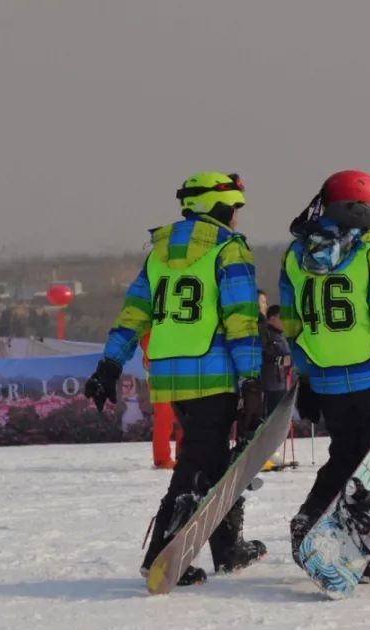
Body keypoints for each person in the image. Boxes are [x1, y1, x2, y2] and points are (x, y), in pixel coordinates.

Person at [84, 171, 266, 587]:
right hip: (213, 371)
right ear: (218, 206)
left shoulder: (158, 253)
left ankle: (227, 548)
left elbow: (134, 314)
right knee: (199, 463)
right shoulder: (228, 250)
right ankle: (162, 555)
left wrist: (109, 365)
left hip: (167, 374)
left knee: (217, 461)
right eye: (234, 208)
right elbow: (240, 320)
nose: (237, 216)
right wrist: (252, 378)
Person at [280, 169, 370, 582]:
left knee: (344, 456)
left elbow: (292, 323)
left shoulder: (295, 254)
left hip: (326, 379)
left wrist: (305, 377)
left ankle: (310, 515)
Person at [140, 329, 182, 469]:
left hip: (183, 366)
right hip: (159, 369)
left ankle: (185, 455)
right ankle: (162, 458)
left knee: (187, 413)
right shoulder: (152, 314)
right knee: (165, 415)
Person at [261, 304, 292, 415]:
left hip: (280, 383)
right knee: (272, 416)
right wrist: (283, 359)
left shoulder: (281, 336)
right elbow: (265, 355)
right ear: (273, 318)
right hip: (270, 383)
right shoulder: (266, 333)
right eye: (281, 317)